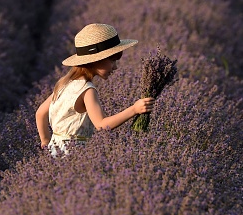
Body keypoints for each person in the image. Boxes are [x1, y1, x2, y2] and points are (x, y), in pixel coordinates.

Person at [36, 23, 155, 157]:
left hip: (54, 150)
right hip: (73, 155)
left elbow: (40, 113)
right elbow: (102, 125)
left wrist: (45, 141)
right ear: (95, 60)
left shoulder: (64, 83)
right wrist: (134, 109)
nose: (115, 67)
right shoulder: (87, 90)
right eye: (112, 60)